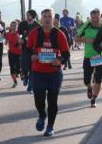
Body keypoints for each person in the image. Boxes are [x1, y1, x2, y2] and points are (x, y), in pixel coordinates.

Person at [26, 8, 70, 137]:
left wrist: (59, 60)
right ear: (41, 18)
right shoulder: (34, 33)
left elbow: (66, 55)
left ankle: (50, 127)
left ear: (53, 19)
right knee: (39, 100)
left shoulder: (59, 34)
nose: (46, 19)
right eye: (44, 16)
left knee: (52, 101)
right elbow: (27, 50)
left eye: (49, 16)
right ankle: (42, 115)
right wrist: (32, 56)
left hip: (54, 74)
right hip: (38, 72)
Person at [76, 9, 102, 108]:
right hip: (88, 56)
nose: (95, 20)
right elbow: (76, 38)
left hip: (100, 57)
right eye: (93, 18)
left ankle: (94, 99)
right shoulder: (87, 25)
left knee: (98, 80)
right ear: (90, 17)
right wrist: (86, 39)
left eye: (97, 17)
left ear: (100, 17)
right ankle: (89, 87)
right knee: (86, 80)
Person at [17, 10, 41, 92]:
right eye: (26, 15)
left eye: (29, 15)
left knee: (32, 69)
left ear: (33, 16)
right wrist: (20, 39)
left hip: (34, 49)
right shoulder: (22, 24)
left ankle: (30, 87)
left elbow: (40, 37)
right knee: (23, 67)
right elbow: (19, 33)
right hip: (25, 48)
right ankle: (25, 78)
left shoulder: (38, 26)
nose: (27, 17)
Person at [5, 20, 22, 88]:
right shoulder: (8, 34)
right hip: (11, 52)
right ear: (10, 26)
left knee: (18, 67)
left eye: (15, 25)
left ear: (17, 26)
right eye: (12, 25)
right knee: (11, 67)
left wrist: (19, 41)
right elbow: (6, 42)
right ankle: (15, 82)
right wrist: (6, 42)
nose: (13, 27)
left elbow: (22, 41)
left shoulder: (19, 33)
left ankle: (20, 73)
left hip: (19, 53)